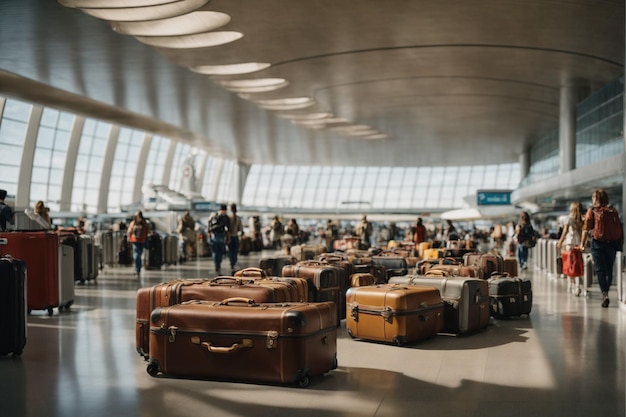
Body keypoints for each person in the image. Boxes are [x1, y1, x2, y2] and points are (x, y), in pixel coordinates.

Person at [580, 189, 624, 308]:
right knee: (609, 269)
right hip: (612, 243)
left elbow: (585, 228)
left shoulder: (592, 211)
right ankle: (607, 290)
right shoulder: (612, 211)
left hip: (597, 243)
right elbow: (619, 227)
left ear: (595, 198)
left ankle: (604, 293)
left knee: (600, 270)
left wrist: (582, 243)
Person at [557, 201, 584, 296]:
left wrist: (560, 241)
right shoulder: (581, 219)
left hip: (569, 243)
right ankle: (578, 286)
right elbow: (582, 233)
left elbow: (565, 232)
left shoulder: (568, 219)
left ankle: (571, 285)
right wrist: (582, 243)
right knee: (577, 264)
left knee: (569, 264)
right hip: (578, 244)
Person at [208, 204, 231, 274]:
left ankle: (216, 264)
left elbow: (209, 226)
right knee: (219, 251)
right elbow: (228, 229)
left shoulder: (214, 215)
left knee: (215, 251)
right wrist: (228, 238)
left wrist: (209, 235)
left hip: (214, 235)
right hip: (220, 235)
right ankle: (218, 264)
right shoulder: (225, 217)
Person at [127, 210, 149, 277]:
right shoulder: (133, 223)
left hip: (142, 241)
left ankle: (138, 269)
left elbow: (147, 231)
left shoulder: (145, 224)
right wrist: (129, 238)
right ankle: (137, 270)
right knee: (136, 255)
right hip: (135, 241)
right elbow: (129, 231)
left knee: (139, 255)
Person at [227, 203, 243, 273]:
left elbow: (226, 228)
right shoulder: (238, 218)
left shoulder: (228, 217)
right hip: (235, 236)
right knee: (235, 250)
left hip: (229, 236)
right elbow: (240, 228)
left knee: (230, 250)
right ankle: (234, 261)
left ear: (230, 209)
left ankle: (232, 262)